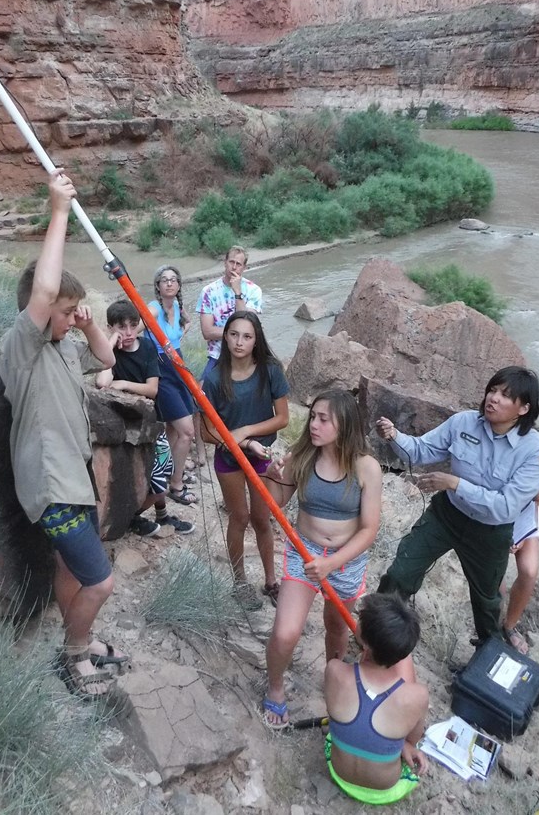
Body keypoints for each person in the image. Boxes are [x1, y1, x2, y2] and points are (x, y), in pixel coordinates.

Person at [0, 170, 126, 702]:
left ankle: (81, 637)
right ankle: (73, 657)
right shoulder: (21, 346)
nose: (72, 318)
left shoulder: (60, 345)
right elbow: (47, 289)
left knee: (70, 571)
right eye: (67, 312)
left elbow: (108, 358)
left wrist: (88, 324)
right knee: (101, 582)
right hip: (54, 489)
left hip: (73, 482)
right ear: (40, 309)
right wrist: (57, 212)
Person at [376, 366, 539, 645]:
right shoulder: (464, 422)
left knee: (487, 602)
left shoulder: (537, 451)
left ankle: (488, 653)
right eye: (492, 390)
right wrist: (394, 435)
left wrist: (455, 483)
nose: (493, 398)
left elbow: (506, 507)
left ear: (523, 408)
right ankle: (377, 634)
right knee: (400, 573)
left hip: (490, 533)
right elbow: (421, 450)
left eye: (505, 395)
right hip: (447, 516)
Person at [263, 390, 382, 727]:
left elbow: (369, 529)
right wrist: (273, 474)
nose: (312, 424)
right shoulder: (301, 457)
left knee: (337, 628)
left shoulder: (366, 467)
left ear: (343, 424)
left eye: (322, 419)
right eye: (312, 417)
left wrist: (333, 563)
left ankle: (334, 678)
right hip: (305, 553)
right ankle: (274, 688)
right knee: (286, 632)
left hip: (346, 561)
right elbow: (278, 504)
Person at [200, 311, 289, 610]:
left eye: (247, 336)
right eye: (234, 334)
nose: (240, 342)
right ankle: (239, 582)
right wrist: (243, 442)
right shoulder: (213, 378)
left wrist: (247, 431)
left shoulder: (270, 370)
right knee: (238, 517)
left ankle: (271, 581)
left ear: (256, 340)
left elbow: (283, 419)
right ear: (225, 336)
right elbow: (207, 432)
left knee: (262, 519)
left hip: (261, 457)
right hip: (230, 460)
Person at [95, 298, 194, 537]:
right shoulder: (110, 353)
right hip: (124, 426)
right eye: (121, 327)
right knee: (141, 476)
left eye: (132, 326)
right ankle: (134, 518)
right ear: (111, 328)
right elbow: (101, 382)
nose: (128, 333)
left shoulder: (148, 348)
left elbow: (153, 389)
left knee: (161, 472)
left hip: (150, 422)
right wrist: (110, 345)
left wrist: (124, 384)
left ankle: (153, 515)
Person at [324, 593, 429, 804]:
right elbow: (412, 737)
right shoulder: (417, 695)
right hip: (384, 789)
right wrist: (406, 745)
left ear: (363, 639)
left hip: (338, 773)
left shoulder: (334, 670)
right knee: (398, 738)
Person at [194, 246, 262, 463]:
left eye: (238, 264)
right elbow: (207, 332)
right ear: (224, 262)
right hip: (217, 356)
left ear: (244, 267)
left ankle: (245, 442)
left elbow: (247, 325)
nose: (234, 267)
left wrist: (237, 292)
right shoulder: (209, 291)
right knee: (201, 400)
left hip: (246, 358)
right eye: (231, 262)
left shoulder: (253, 291)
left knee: (248, 399)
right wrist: (234, 335)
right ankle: (201, 448)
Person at [146, 265, 198, 506]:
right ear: (158, 286)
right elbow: (138, 326)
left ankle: (166, 472)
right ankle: (176, 485)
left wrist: (181, 332)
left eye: (173, 280)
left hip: (177, 365)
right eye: (164, 280)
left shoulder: (176, 307)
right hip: (162, 370)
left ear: (178, 285)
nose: (169, 283)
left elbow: (185, 323)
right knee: (187, 431)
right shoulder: (154, 308)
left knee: (172, 430)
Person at [502, 473, 539, 653]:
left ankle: (509, 625)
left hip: (524, 520)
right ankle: (490, 629)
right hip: (495, 515)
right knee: (496, 574)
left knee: (529, 571)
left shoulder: (535, 455)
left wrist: (520, 535)